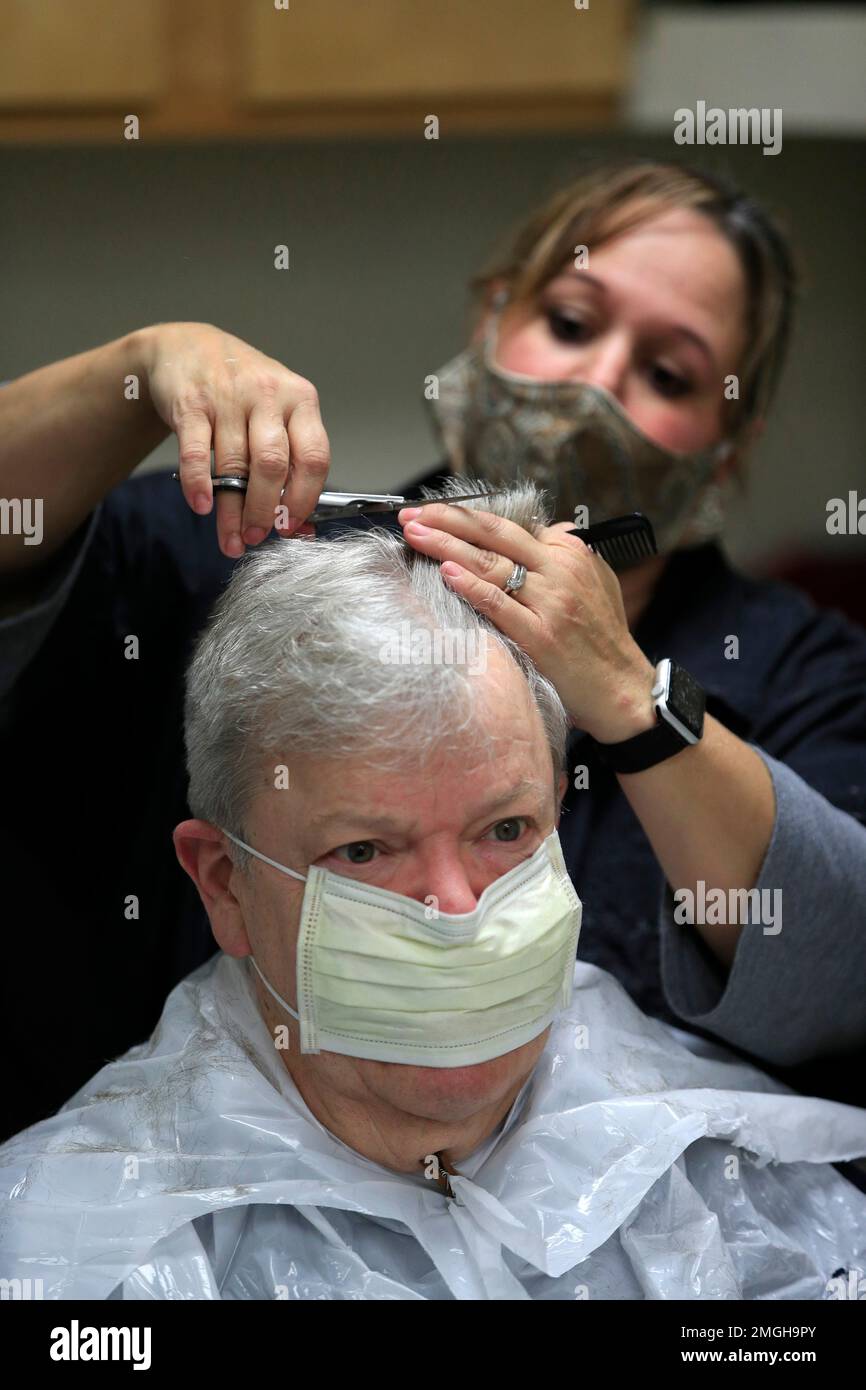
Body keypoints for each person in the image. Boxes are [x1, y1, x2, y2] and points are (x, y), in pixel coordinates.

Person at [1, 160, 864, 1144]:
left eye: (667, 374)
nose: (594, 385)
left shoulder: (796, 675)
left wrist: (629, 700)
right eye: (571, 324)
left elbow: (841, 978)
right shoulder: (242, 557)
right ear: (491, 316)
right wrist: (137, 370)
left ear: (729, 442)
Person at [1, 485, 865, 1302]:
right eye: (367, 849)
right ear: (224, 885)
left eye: (505, 832)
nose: (457, 909)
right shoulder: (83, 1247)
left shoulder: (716, 1165)